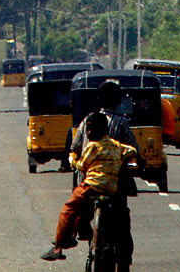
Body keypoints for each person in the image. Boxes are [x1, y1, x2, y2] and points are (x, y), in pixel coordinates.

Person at [42, 81, 139, 266]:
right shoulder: (121, 124)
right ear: (118, 101)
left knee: (73, 210)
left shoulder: (87, 121)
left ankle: (61, 245)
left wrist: (74, 160)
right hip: (114, 186)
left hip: (88, 182)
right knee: (123, 224)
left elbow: (75, 148)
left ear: (98, 100)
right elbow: (135, 149)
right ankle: (124, 258)